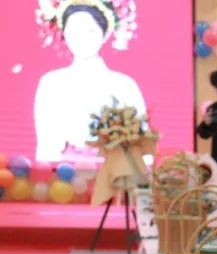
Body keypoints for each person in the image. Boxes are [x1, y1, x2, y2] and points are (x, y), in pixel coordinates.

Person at [34, 0, 147, 161]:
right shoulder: (51, 83)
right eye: (74, 31)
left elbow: (141, 145)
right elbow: (47, 146)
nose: (82, 38)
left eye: (90, 31)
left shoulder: (124, 86)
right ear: (65, 34)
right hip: (64, 172)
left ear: (104, 34)